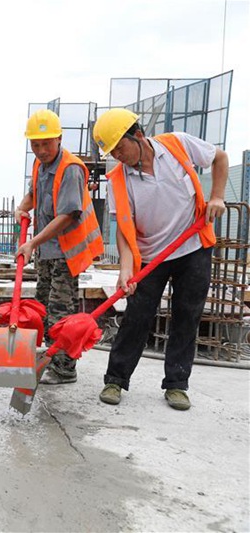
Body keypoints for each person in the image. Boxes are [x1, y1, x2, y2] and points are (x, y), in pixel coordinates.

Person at [92, 108, 227, 411]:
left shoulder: (177, 144)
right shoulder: (118, 180)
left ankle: (177, 385)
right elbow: (124, 230)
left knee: (186, 315)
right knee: (137, 316)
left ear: (138, 135)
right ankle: (115, 379)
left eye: (120, 147)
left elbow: (220, 158)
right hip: (151, 256)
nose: (117, 155)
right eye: (111, 151)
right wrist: (126, 268)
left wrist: (216, 196)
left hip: (192, 247)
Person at [15, 109, 104, 384]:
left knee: (60, 313)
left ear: (59, 138)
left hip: (66, 253)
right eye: (35, 145)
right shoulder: (40, 166)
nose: (40, 150)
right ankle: (50, 358)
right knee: (43, 308)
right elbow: (34, 194)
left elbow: (67, 216)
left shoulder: (71, 169)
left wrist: (32, 242)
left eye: (46, 143)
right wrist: (22, 207)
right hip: (46, 253)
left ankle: (65, 369)